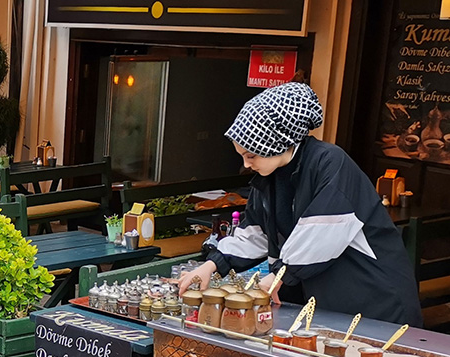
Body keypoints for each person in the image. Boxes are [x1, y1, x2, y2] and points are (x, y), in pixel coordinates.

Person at [179, 81, 422, 327]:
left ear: (275, 141)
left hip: (372, 300)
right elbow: (255, 233)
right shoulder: (269, 178)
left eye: (251, 155)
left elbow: (321, 235)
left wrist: (278, 275)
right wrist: (211, 266)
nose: (246, 164)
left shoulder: (330, 163)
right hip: (323, 303)